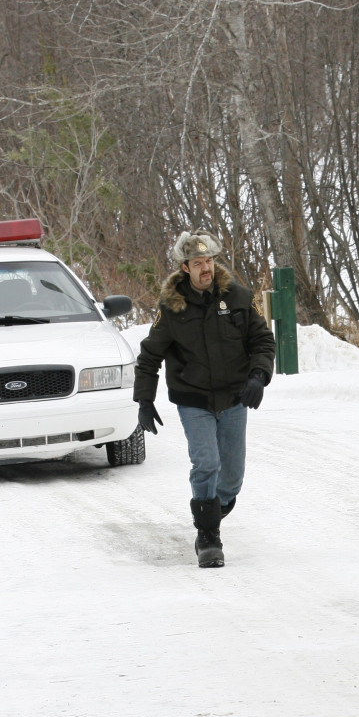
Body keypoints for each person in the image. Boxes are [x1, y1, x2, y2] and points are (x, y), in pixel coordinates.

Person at [134, 230, 276, 568]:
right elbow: (150, 356)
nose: (206, 268)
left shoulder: (238, 297)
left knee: (231, 478)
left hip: (234, 397)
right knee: (207, 463)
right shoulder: (172, 308)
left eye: (209, 261)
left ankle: (212, 508)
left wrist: (258, 376)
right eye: (198, 263)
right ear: (185, 268)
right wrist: (144, 400)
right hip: (193, 398)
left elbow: (263, 342)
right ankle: (208, 535)